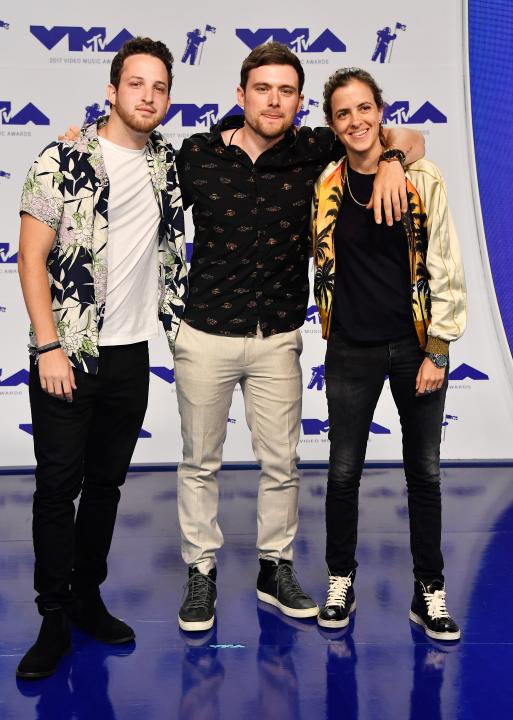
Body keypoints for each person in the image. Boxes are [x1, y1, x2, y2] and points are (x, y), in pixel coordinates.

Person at [173, 43, 425, 632]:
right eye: (262, 89)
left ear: (300, 101)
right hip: (206, 332)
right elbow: (133, 166)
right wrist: (80, 139)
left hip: (278, 336)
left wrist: (392, 160)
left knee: (282, 463)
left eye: (286, 91)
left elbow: (409, 138)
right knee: (199, 463)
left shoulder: (316, 148)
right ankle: (201, 572)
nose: (273, 101)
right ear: (241, 95)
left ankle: (275, 568)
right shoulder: (197, 154)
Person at [16, 37, 187, 678]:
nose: (148, 96)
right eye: (136, 83)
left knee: (106, 487)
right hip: (68, 353)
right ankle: (53, 616)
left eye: (159, 87)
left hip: (130, 356)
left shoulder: (168, 164)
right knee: (57, 489)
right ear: (112, 91)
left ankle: (87, 597)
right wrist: (48, 346)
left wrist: (398, 151)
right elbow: (30, 258)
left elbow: (250, 139)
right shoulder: (59, 158)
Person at [311, 68, 466, 639]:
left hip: (414, 347)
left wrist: (439, 348)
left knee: (424, 473)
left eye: (364, 108)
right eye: (343, 112)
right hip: (350, 349)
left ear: (381, 111)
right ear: (332, 124)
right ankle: (340, 580)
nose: (356, 120)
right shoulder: (326, 181)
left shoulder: (421, 176)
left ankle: (429, 590)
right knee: (342, 473)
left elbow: (445, 262)